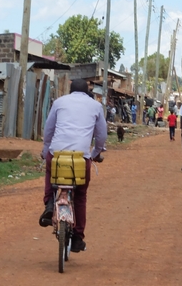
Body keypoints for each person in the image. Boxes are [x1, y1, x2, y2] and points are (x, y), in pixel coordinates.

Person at [39, 79, 107, 253]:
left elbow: (49, 130)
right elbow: (101, 136)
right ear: (87, 91)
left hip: (57, 155)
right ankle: (77, 238)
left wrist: (46, 149)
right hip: (80, 159)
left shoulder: (59, 102)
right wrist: (95, 154)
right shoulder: (96, 106)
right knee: (80, 195)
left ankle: (49, 204)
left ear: (70, 90)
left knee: (50, 173)